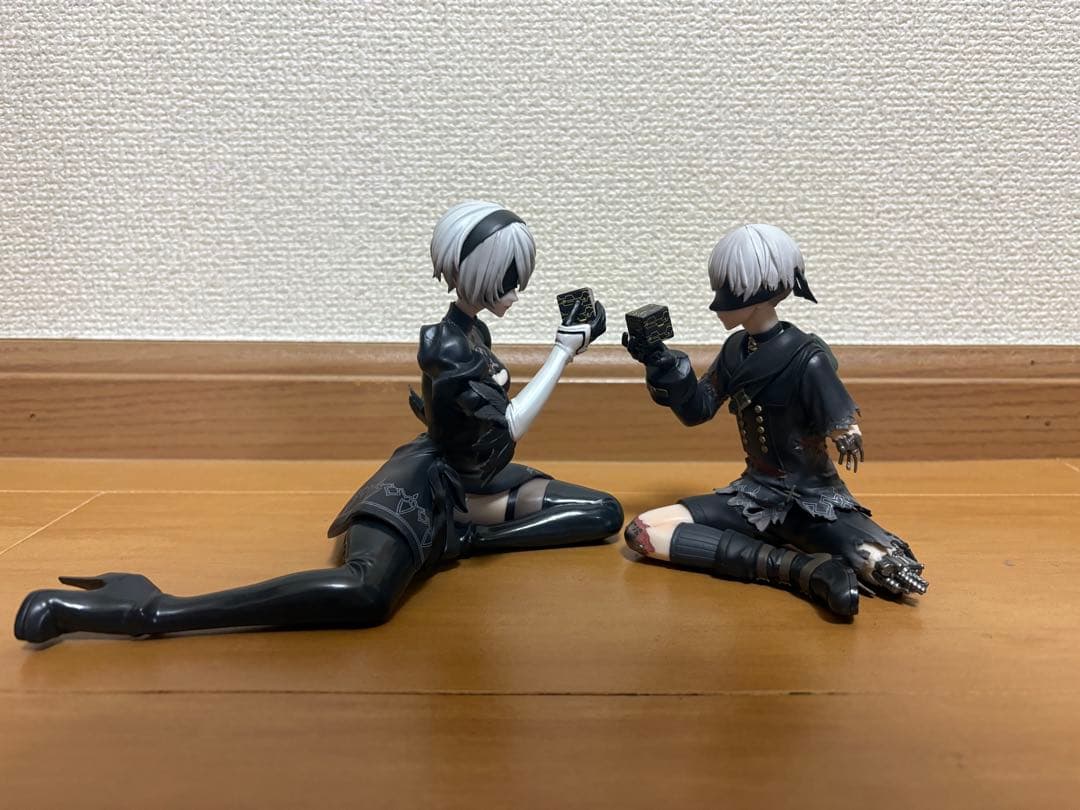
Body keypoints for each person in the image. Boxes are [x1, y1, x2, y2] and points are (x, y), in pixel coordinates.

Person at [14, 201, 623, 643]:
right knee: (365, 594)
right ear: (474, 271)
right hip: (425, 484)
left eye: (519, 278)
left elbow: (490, 437)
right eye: (508, 277)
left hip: (471, 489)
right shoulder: (446, 346)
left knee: (601, 513)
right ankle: (150, 608)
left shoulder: (475, 336)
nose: (515, 290)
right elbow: (508, 426)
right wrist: (562, 353)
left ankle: (460, 537)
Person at [621, 223, 927, 617]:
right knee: (643, 532)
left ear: (762, 293)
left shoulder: (805, 356)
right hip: (753, 497)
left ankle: (801, 555)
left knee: (885, 562)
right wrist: (661, 363)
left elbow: (835, 409)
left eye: (729, 292)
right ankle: (798, 569)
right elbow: (697, 409)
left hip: (810, 501)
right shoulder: (735, 350)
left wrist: (846, 429)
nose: (718, 305)